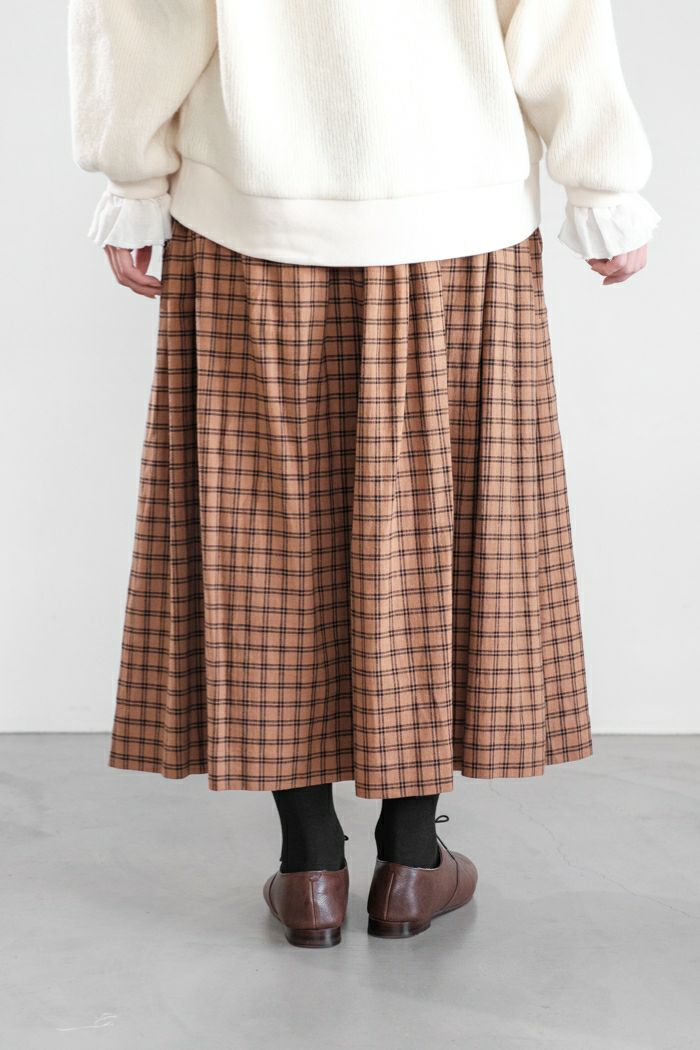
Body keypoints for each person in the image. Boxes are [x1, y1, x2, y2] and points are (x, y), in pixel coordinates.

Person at [67, 0, 659, 949]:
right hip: (456, 209)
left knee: (265, 541)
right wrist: (601, 185)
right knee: (434, 536)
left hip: (253, 208)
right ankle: (411, 864)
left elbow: (145, 12)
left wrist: (132, 176)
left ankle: (310, 866)